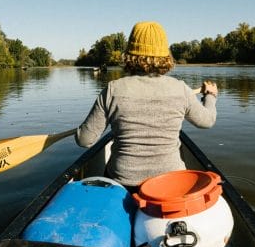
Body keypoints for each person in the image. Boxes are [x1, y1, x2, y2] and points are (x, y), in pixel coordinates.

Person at [75, 21, 219, 189]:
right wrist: (210, 96)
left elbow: (84, 140)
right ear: (165, 55)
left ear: (129, 53)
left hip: (123, 182)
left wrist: (80, 132)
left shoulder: (113, 90)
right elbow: (207, 121)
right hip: (169, 183)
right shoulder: (181, 89)